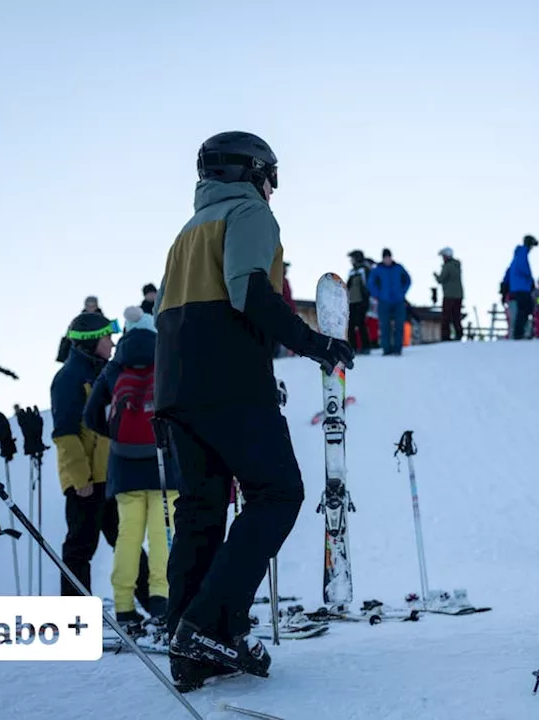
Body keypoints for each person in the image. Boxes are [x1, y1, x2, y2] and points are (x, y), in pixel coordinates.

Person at [153, 131, 355, 689]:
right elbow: (249, 294)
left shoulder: (186, 233)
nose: (272, 188)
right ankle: (210, 622)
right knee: (278, 492)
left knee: (202, 508)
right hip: (231, 380)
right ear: (251, 172)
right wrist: (319, 344)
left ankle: (189, 647)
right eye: (271, 175)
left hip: (176, 388)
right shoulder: (249, 213)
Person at [83, 307, 180, 634]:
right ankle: (161, 601)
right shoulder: (166, 357)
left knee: (127, 537)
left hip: (124, 466)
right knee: (161, 536)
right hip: (164, 465)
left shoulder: (114, 368)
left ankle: (123, 606)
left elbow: (90, 415)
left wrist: (116, 437)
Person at [51, 311, 152, 608]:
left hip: (108, 478)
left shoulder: (103, 373)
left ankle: (155, 605)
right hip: (86, 482)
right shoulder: (69, 378)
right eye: (107, 337)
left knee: (127, 542)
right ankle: (73, 615)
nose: (111, 342)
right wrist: (81, 479)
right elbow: (65, 434)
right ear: (90, 342)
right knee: (80, 548)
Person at [367, 248, 411, 355]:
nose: (388, 260)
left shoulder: (399, 268)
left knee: (399, 325)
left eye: (389, 257)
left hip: (398, 301)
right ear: (383, 258)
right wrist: (377, 295)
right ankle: (386, 349)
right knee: (384, 325)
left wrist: (402, 292)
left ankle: (397, 349)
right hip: (384, 301)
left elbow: (408, 280)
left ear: (391, 257)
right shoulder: (377, 269)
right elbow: (371, 283)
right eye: (385, 258)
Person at [502, 235, 538, 339]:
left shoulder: (518, 255)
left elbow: (509, 272)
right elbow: (523, 268)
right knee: (525, 309)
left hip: (517, 288)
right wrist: (530, 280)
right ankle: (520, 333)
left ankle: (520, 332)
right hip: (521, 288)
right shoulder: (522, 253)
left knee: (523, 310)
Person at [434, 247, 464, 341]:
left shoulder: (447, 266)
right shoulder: (457, 265)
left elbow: (441, 279)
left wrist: (435, 275)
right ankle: (459, 334)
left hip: (449, 295)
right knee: (456, 316)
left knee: (446, 317)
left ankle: (445, 337)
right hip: (459, 295)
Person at [346, 250, 372, 353]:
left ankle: (366, 347)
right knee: (350, 324)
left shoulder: (365, 270)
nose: (351, 260)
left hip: (362, 300)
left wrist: (367, 297)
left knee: (361, 323)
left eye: (352, 258)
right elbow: (348, 286)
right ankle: (353, 347)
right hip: (352, 301)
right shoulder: (352, 271)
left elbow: (368, 285)